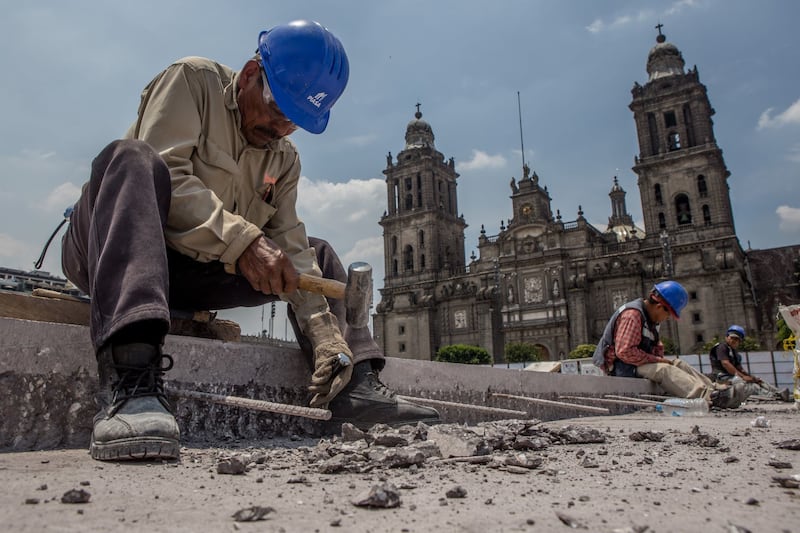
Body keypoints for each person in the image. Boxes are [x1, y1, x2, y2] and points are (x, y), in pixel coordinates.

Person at [60, 20, 439, 462]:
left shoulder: (284, 159)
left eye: (295, 121)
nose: (280, 127)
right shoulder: (191, 82)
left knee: (315, 254)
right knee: (131, 159)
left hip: (186, 273)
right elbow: (170, 175)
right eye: (277, 108)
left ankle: (355, 387)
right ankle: (129, 385)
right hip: (114, 249)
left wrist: (324, 331)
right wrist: (243, 241)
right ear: (248, 75)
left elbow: (289, 242)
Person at [592, 281, 744, 409]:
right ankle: (709, 397)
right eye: (669, 314)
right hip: (622, 367)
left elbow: (655, 346)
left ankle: (714, 388)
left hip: (635, 363)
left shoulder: (650, 319)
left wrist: (658, 354)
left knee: (678, 363)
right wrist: (657, 360)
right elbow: (625, 352)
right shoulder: (633, 315)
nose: (667, 318)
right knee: (664, 369)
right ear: (659, 306)